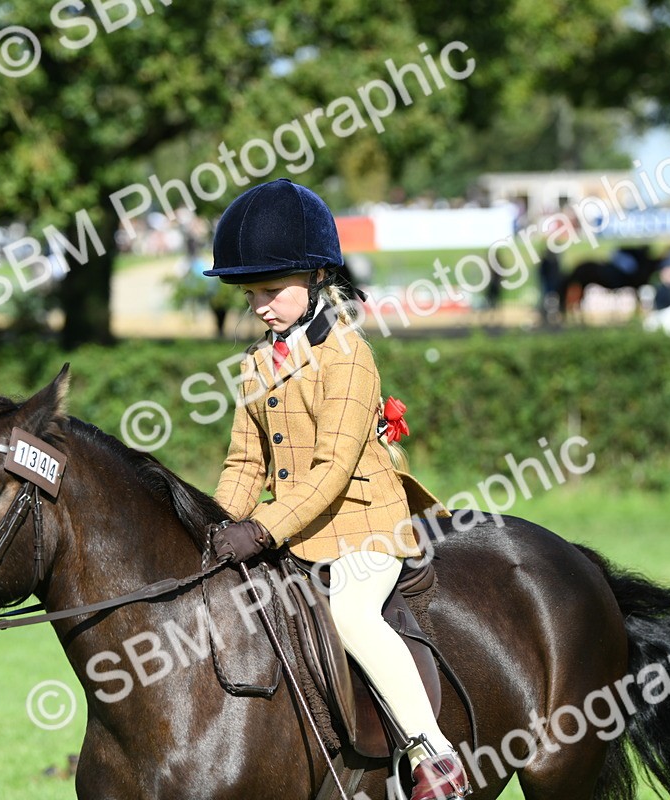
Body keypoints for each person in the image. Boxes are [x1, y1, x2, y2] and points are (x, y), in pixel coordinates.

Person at [203, 179, 471, 800]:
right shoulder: (256, 363)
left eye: (272, 291)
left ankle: (434, 756)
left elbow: (330, 470)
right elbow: (245, 462)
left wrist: (261, 528)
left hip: (362, 526)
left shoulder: (348, 355)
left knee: (351, 613)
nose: (260, 307)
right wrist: (214, 525)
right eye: (250, 295)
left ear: (318, 277)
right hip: (293, 528)